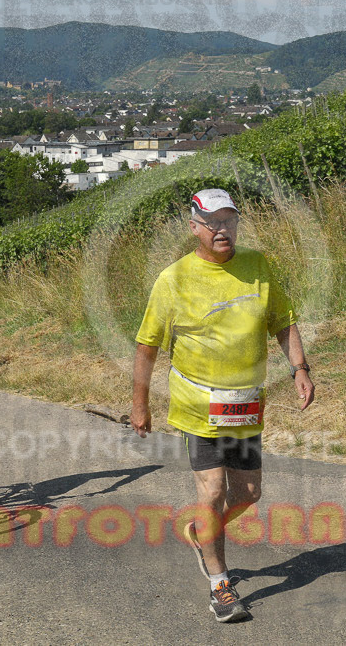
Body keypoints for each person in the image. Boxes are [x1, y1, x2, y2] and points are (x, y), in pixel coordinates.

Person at [131, 188, 315, 623]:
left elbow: (283, 322)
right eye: (212, 222)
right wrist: (140, 405)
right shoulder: (173, 278)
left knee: (248, 493)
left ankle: (200, 530)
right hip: (198, 402)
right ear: (194, 226)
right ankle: (220, 586)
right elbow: (146, 347)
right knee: (212, 491)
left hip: (245, 403)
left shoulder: (258, 266)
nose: (222, 229)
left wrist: (300, 368)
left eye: (229, 221)